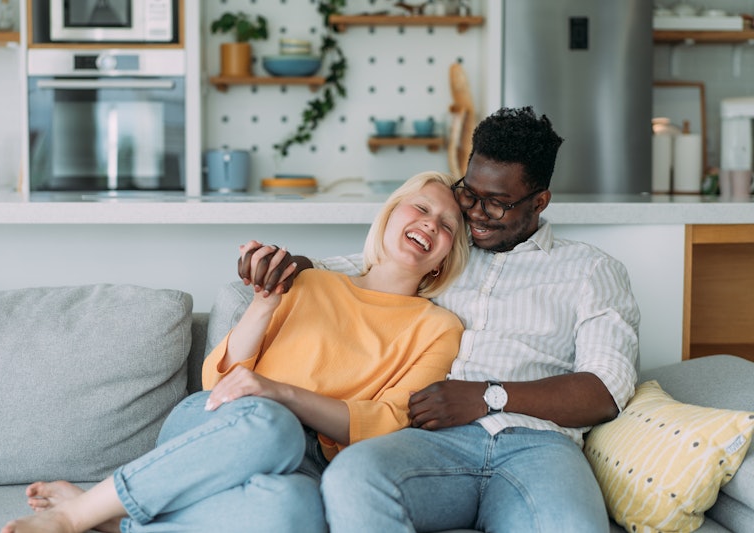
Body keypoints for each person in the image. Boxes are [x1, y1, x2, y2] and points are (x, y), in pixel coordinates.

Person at [240, 107, 640, 532]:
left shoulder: (591, 270)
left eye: (498, 203)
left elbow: (606, 389)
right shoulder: (442, 249)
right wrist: (284, 264)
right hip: (426, 445)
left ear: (539, 201)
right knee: (352, 478)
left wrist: (488, 396)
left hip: (538, 448)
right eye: (470, 193)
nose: (477, 214)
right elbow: (358, 269)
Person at [1, 170, 470, 533]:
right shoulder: (309, 282)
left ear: (446, 257)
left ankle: (116, 520)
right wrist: (265, 303)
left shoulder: (438, 327)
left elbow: (384, 422)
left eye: (448, 224)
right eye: (421, 207)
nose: (430, 223)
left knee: (299, 514)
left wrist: (283, 392)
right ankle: (73, 517)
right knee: (272, 424)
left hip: (308, 460)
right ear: (389, 214)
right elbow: (218, 381)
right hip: (224, 424)